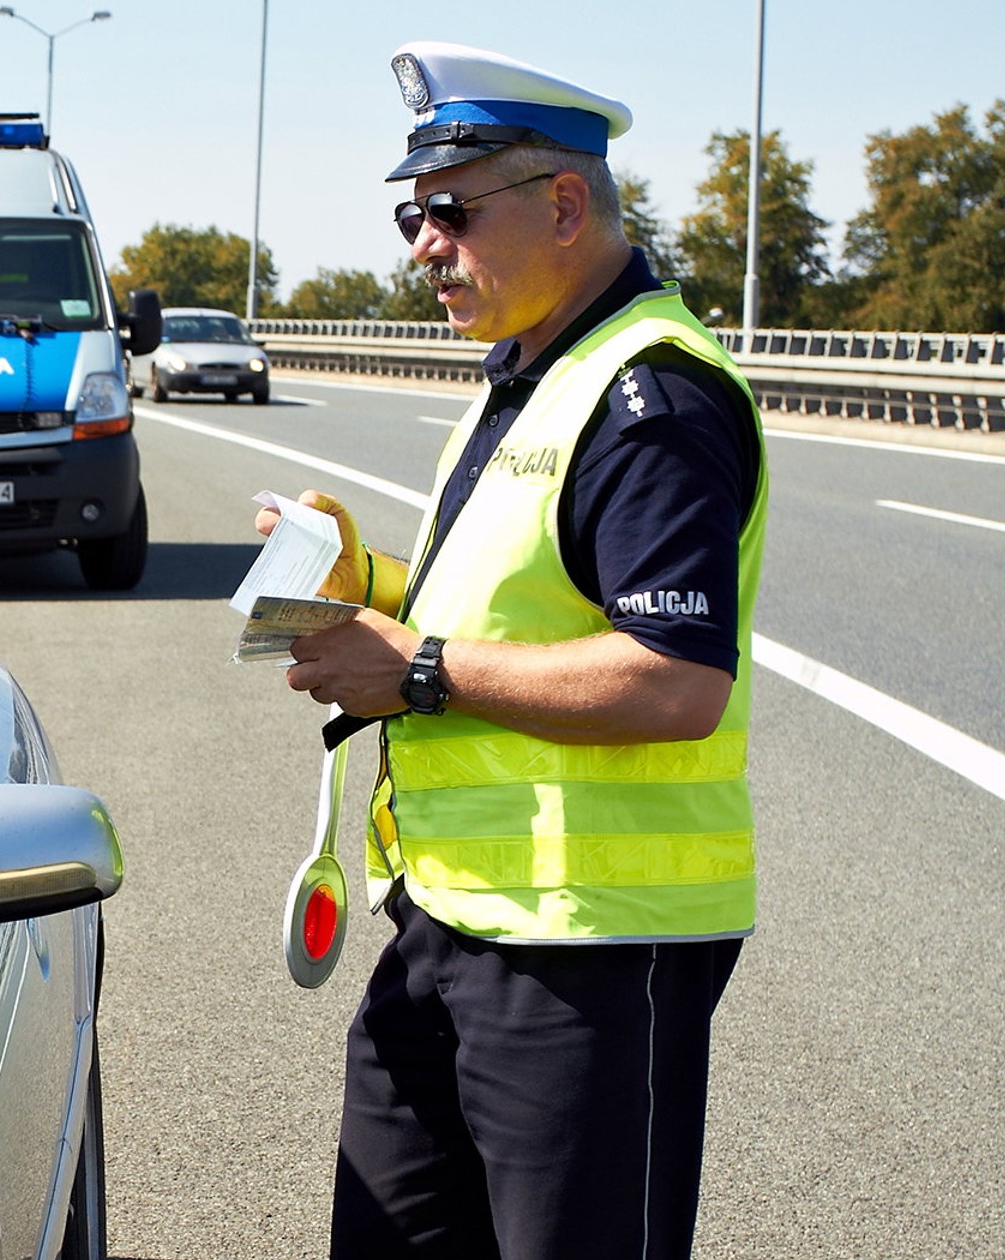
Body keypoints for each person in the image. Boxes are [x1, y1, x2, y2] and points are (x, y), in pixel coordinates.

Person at [264, 42, 768, 1260]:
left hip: (589, 947)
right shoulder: (529, 374)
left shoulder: (650, 398)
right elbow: (515, 602)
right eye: (411, 215)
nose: (423, 245)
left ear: (563, 204)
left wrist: (418, 671)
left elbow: (675, 678)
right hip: (449, 921)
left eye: (449, 211)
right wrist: (363, 584)